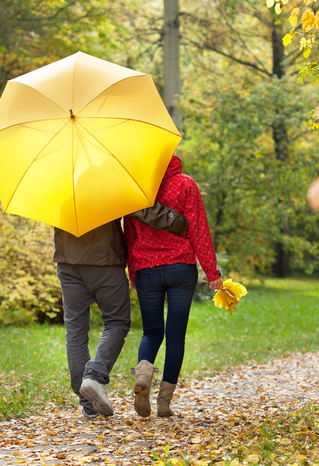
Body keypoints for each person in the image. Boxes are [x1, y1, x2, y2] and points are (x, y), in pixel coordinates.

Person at [54, 202, 188, 419]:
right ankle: (94, 376)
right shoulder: (107, 180)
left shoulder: (59, 184)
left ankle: (88, 406)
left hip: (66, 262)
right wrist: (178, 221)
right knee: (117, 322)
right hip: (103, 259)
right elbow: (140, 209)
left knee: (76, 332)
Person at [124, 155, 223, 418]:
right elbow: (199, 231)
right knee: (175, 336)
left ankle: (143, 377)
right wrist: (212, 272)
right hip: (181, 269)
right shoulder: (185, 184)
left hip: (146, 268)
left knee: (151, 332)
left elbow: (129, 235)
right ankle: (164, 403)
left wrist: (134, 273)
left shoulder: (136, 191)